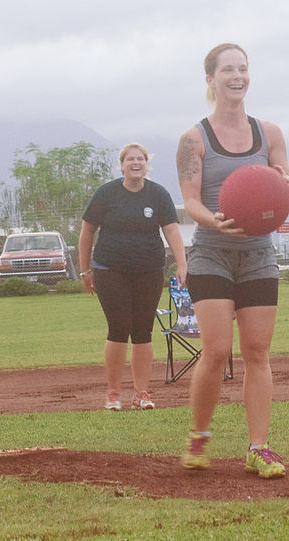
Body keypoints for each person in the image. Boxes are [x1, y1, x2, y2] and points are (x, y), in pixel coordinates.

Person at [175, 43, 289, 478]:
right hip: (211, 253)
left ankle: (258, 448)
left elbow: (281, 183)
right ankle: (199, 436)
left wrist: (287, 191)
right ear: (210, 79)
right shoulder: (193, 139)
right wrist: (217, 220)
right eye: (228, 70)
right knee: (216, 351)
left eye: (243, 69)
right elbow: (189, 201)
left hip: (258, 255)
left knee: (258, 351)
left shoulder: (270, 133)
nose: (237, 76)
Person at [79, 143, 188, 411]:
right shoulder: (107, 193)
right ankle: (113, 394)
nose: (135, 163)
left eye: (140, 159)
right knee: (118, 329)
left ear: (146, 164)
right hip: (109, 270)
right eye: (130, 159)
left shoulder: (158, 194)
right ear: (122, 164)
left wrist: (182, 264)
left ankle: (142, 393)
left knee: (143, 331)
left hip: (149, 271)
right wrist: (85, 270)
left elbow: (172, 231)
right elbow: (86, 232)